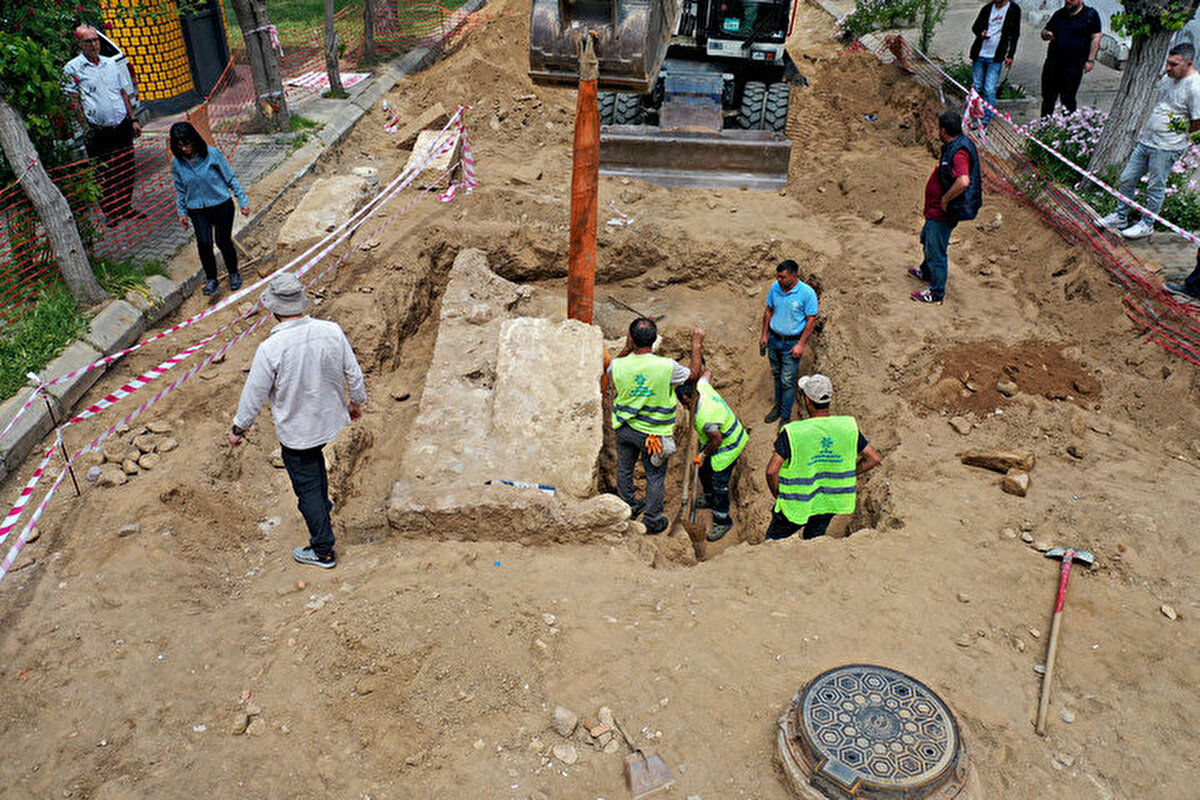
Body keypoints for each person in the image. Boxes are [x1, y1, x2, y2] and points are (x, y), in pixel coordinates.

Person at [229, 274, 367, 569]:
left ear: (274, 308)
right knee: (315, 465)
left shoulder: (271, 348)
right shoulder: (331, 331)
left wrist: (239, 428)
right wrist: (356, 402)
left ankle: (323, 550)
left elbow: (254, 394)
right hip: (329, 420)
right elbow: (354, 373)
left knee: (307, 488)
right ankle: (323, 506)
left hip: (298, 431)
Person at [609, 318, 704, 534]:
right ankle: (652, 520)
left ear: (631, 339)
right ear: (654, 340)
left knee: (624, 470)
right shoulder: (666, 367)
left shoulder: (618, 365)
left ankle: (629, 507)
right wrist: (696, 344)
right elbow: (693, 375)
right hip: (653, 435)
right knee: (655, 476)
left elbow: (613, 368)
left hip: (625, 428)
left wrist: (627, 347)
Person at [1096, 44, 1200, 240]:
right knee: (1127, 177)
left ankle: (1147, 224)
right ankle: (1120, 216)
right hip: (1147, 140)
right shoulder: (1169, 78)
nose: (1168, 68)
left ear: (1188, 64)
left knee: (1155, 186)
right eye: (1168, 63)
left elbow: (1197, 120)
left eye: (1174, 64)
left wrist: (1180, 134)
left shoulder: (1195, 87)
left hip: (1167, 147)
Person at [764, 374, 882, 541]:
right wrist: (850, 473)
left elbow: (771, 471)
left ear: (807, 400)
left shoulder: (794, 432)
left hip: (795, 503)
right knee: (814, 539)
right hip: (829, 501)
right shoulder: (847, 428)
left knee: (775, 541)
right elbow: (874, 458)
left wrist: (778, 493)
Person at [63, 25, 143, 227]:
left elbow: (123, 92)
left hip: (121, 125)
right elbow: (73, 101)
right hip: (97, 130)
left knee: (126, 167)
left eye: (96, 40)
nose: (94, 44)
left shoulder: (110, 63)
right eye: (88, 41)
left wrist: (133, 119)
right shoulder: (73, 68)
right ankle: (111, 211)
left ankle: (125, 207)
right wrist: (85, 127)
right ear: (79, 43)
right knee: (103, 172)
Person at [908, 111, 982, 305]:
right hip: (935, 210)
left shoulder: (958, 153)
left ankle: (936, 293)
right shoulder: (954, 145)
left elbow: (963, 181)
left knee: (936, 250)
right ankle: (926, 272)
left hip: (943, 213)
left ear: (943, 131)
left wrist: (945, 199)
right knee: (928, 239)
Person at [170, 121, 250, 296]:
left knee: (223, 241)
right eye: (180, 146)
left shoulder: (212, 154)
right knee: (204, 244)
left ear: (194, 140)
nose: (185, 149)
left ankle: (234, 273)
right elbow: (180, 189)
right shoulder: (177, 162)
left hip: (221, 205)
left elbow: (231, 178)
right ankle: (212, 279)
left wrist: (242, 201)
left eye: (187, 144)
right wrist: (182, 212)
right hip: (197, 209)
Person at [675, 372, 748, 542]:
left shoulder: (706, 417)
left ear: (693, 397)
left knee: (718, 483)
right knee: (703, 470)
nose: (685, 407)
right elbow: (707, 373)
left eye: (687, 403)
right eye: (683, 404)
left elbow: (716, 440)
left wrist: (702, 454)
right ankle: (710, 499)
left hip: (730, 444)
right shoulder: (701, 386)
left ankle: (723, 521)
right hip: (718, 439)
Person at [759, 259, 818, 424]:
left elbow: (811, 320)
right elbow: (769, 310)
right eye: (778, 276)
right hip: (774, 340)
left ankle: (785, 417)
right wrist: (764, 335)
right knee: (777, 376)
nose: (779, 280)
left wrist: (801, 344)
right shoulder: (775, 287)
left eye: (783, 277)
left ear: (794, 275)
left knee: (787, 381)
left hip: (791, 344)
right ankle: (778, 408)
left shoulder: (807, 293)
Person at [1039, 0, 1102, 118]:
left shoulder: (1090, 15)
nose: (1068, 1)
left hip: (1073, 65)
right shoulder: (1059, 14)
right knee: (1048, 98)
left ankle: (1068, 125)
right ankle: (1045, 124)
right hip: (1053, 63)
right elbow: (1045, 31)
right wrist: (1046, 34)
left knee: (1068, 99)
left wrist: (1090, 60)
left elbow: (1096, 37)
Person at [969, 0, 1021, 126]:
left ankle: (986, 118)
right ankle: (975, 113)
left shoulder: (1013, 10)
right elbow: (975, 27)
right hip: (980, 53)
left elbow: (1015, 34)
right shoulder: (987, 8)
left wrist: (1010, 55)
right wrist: (981, 33)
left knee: (989, 89)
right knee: (977, 87)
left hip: (996, 56)